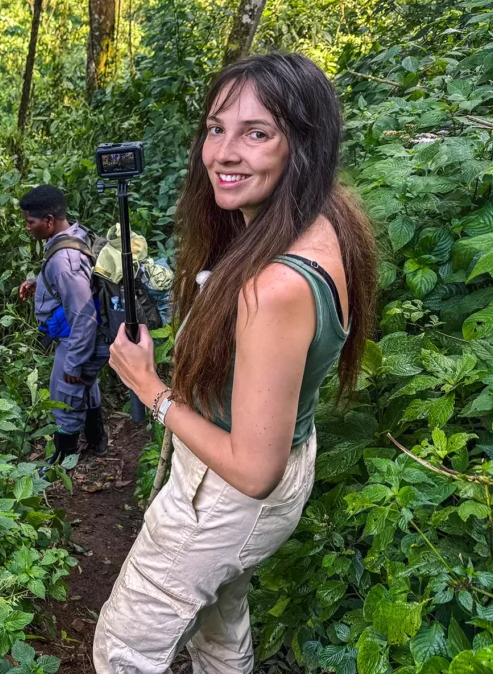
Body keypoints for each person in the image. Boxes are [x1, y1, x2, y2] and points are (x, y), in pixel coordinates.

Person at [93, 53, 377, 674]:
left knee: (120, 649)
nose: (224, 153)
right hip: (268, 478)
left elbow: (253, 471)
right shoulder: (328, 220)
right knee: (220, 621)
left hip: (228, 494)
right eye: (216, 129)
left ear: (302, 145)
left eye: (257, 133)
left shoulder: (273, 288)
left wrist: (151, 390)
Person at [18, 185, 110, 464]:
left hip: (79, 339)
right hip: (85, 334)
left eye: (29, 222)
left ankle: (62, 459)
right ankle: (98, 442)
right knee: (85, 385)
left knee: (65, 394)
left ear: (48, 220)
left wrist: (73, 363)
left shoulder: (64, 261)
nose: (26, 228)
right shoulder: (74, 234)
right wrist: (39, 283)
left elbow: (83, 316)